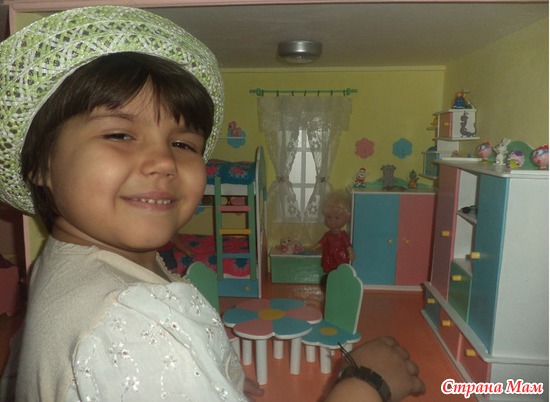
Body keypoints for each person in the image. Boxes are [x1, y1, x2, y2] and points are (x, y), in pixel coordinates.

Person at [0, 6, 424, 402]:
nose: (165, 161)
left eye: (183, 144)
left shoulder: (66, 261)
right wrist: (367, 383)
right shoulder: (134, 325)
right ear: (41, 164)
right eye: (120, 135)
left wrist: (215, 377)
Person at [315, 190, 356, 274]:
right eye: (328, 217)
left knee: (340, 270)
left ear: (347, 217)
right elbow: (321, 243)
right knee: (330, 271)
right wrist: (314, 248)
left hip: (340, 256)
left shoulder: (342, 235)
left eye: (336, 218)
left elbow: (347, 245)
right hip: (329, 256)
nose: (332, 221)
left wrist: (351, 253)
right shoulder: (328, 234)